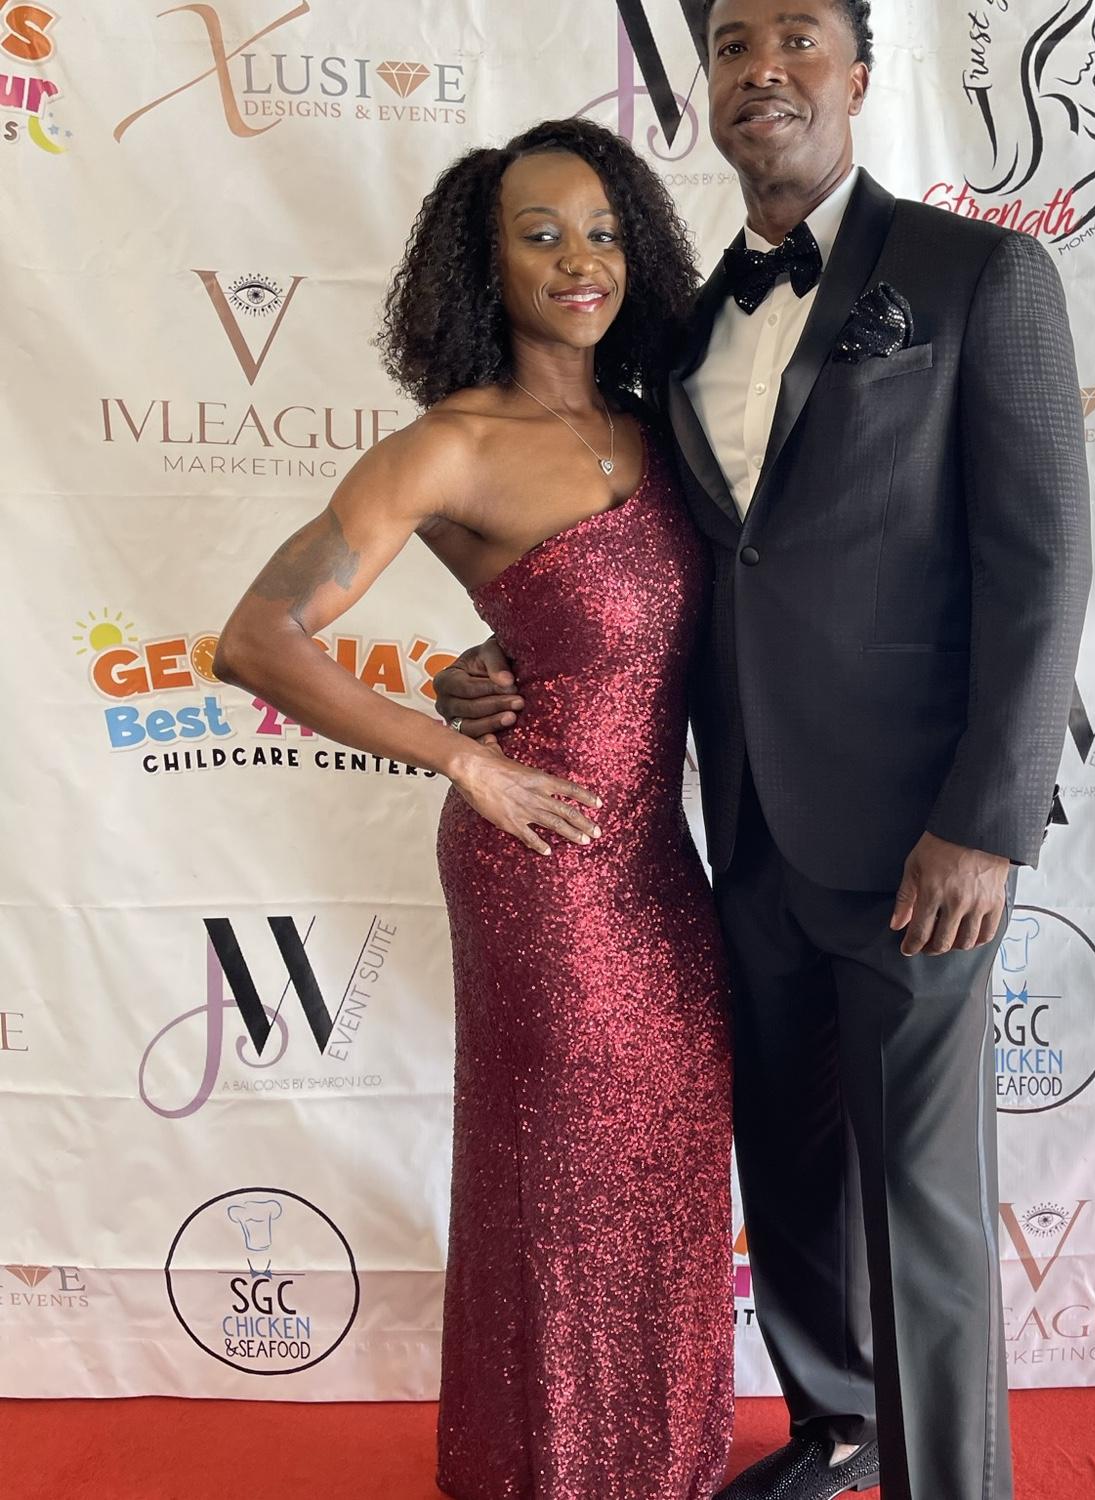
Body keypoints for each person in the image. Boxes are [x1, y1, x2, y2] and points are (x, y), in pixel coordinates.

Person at [439, 2, 1091, 1498]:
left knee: (922, 1202)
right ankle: (837, 1427)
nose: (764, 70)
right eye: (735, 45)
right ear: (709, 88)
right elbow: (638, 556)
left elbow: (1043, 564)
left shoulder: (978, 274)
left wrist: (986, 822)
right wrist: (502, 662)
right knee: (789, 1175)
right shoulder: (672, 328)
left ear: (858, 74)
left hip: (922, 843)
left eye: (799, 38)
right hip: (732, 836)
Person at [211, 119, 735, 1500]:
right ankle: (546, 1471)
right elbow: (258, 639)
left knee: (664, 1158)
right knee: (557, 1174)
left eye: (604, 232)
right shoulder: (450, 448)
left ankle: (656, 1462)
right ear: (482, 263)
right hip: (541, 862)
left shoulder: (668, 422)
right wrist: (462, 757)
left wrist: (498, 657)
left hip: (661, 861)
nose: (579, 262)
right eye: (540, 235)